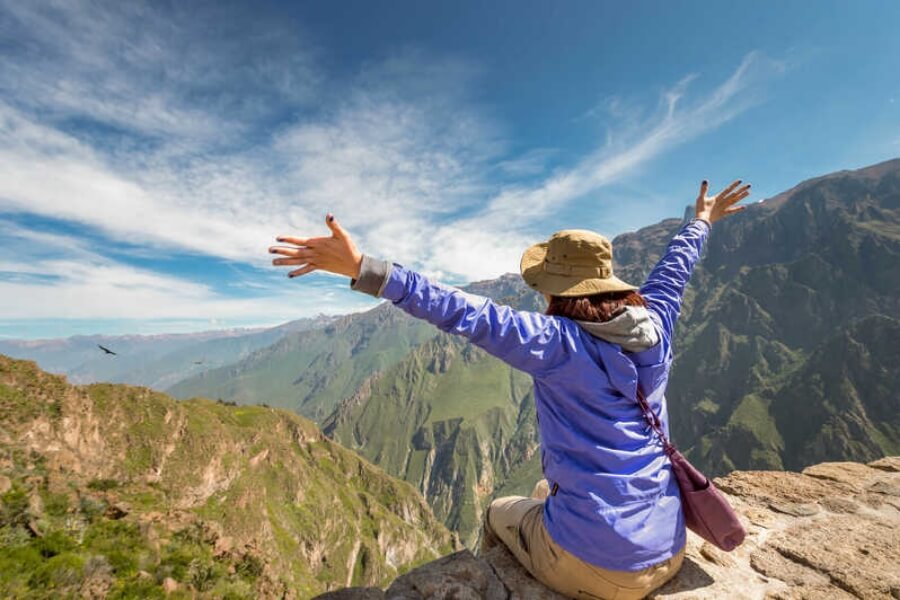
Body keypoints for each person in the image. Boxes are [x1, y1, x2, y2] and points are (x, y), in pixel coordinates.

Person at [269, 179, 750, 599]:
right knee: (546, 495)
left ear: (556, 290)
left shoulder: (555, 343)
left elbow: (463, 312)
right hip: (668, 549)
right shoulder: (657, 322)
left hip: (598, 569)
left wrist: (363, 267)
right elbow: (674, 271)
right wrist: (701, 221)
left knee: (501, 510)